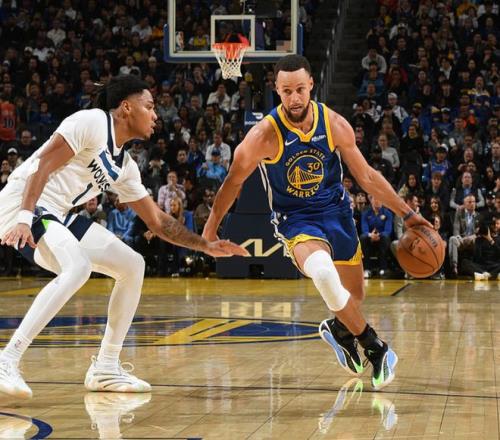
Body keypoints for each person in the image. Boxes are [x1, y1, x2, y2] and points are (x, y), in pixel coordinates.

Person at [0, 74, 247, 398]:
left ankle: (105, 367)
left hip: (57, 214)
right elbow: (41, 166)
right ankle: (7, 359)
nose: (155, 114)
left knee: (132, 264)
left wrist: (205, 246)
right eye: (149, 106)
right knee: (77, 267)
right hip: (22, 203)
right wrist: (23, 217)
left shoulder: (125, 167)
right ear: (126, 108)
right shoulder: (92, 122)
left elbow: (158, 222)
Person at [202, 55, 431, 390]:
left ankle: (338, 331)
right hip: (296, 219)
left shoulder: (334, 124)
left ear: (311, 84)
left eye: (300, 89)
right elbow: (232, 183)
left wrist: (408, 214)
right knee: (323, 273)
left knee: (353, 298)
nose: (294, 98)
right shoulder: (262, 136)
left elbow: (367, 176)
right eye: (286, 92)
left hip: (337, 213)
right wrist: (210, 230)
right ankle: (376, 347)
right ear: (277, 91)